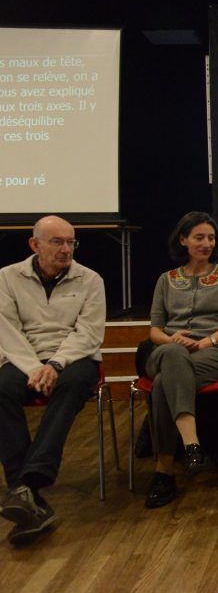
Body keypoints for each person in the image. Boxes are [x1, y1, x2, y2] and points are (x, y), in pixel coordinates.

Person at [0, 216, 105, 544]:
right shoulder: (6, 277)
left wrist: (55, 364)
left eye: (70, 242)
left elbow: (88, 333)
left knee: (73, 384)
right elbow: (7, 331)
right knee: (1, 388)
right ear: (35, 245)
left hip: (73, 357)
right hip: (23, 356)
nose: (65, 249)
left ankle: (26, 483)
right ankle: (28, 493)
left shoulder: (90, 279)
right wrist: (34, 367)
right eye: (57, 242)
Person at [143, 212, 218, 508]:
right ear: (183, 240)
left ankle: (164, 471)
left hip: (216, 351)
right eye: (199, 237)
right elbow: (154, 331)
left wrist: (204, 342)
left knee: (164, 382)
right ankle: (192, 445)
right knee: (173, 357)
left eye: (211, 238)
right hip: (166, 350)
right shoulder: (166, 280)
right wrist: (174, 341)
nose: (206, 243)